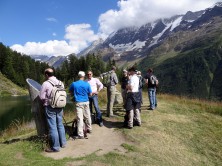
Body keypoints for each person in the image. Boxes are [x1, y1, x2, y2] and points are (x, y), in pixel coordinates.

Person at [39, 68, 66, 152]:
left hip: (50, 107)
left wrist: (45, 101)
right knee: (60, 125)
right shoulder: (60, 83)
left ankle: (55, 147)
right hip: (60, 106)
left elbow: (42, 97)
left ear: (46, 75)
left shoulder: (46, 83)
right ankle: (63, 143)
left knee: (53, 127)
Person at [69, 71, 92, 139]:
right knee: (87, 116)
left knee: (80, 118)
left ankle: (80, 134)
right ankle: (89, 129)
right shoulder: (87, 84)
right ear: (84, 76)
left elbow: (70, 91)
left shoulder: (74, 84)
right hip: (86, 101)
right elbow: (90, 94)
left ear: (78, 76)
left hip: (78, 102)